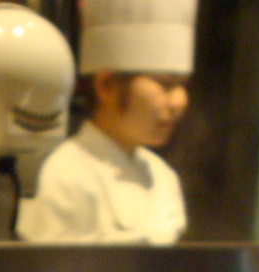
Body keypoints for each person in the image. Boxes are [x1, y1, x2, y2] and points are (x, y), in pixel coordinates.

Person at [17, 0, 195, 244]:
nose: (179, 101)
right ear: (106, 85)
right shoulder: (64, 173)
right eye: (165, 84)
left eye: (182, 85)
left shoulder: (163, 176)